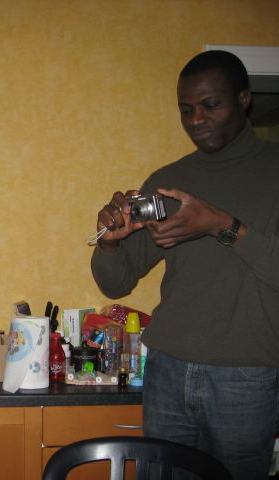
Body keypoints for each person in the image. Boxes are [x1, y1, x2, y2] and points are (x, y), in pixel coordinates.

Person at [90, 50, 279, 480]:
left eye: (210, 105)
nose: (196, 120)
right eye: (186, 109)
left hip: (246, 376)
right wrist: (111, 244)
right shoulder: (168, 181)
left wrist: (220, 225)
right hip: (167, 369)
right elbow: (117, 284)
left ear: (244, 99)